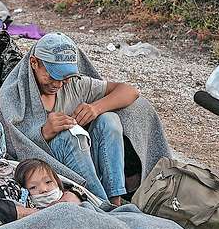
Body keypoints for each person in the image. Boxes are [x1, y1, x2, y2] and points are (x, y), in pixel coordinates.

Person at [28, 32, 140, 205]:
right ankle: (101, 204)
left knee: (109, 120)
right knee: (68, 137)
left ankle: (114, 200)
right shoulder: (17, 96)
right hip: (50, 174)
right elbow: (13, 146)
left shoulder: (76, 86)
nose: (58, 85)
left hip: (86, 165)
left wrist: (95, 108)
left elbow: (130, 91)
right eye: (51, 76)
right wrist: (45, 133)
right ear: (34, 63)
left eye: (64, 78)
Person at [13, 158, 82, 208]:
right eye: (33, 187)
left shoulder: (72, 196)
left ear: (57, 181)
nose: (43, 189)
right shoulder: (29, 213)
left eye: (48, 182)